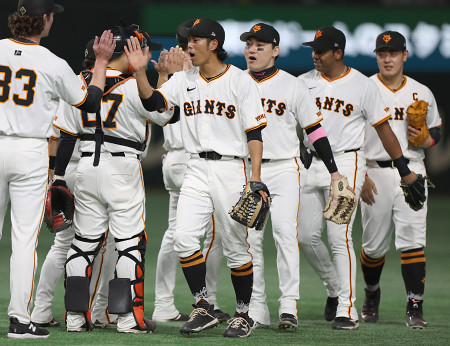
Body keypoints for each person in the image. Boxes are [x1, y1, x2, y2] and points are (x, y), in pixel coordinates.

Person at [125, 18, 268, 338]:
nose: (189, 45)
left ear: (214, 44)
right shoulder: (183, 79)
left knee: (236, 247)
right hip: (195, 168)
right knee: (185, 239)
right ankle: (203, 306)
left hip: (232, 168)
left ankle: (243, 314)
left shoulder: (241, 81)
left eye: (197, 40)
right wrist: (139, 72)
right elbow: (155, 104)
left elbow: (255, 133)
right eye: (189, 40)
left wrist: (255, 179)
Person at [0, 0, 114, 339]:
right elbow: (91, 101)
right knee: (24, 241)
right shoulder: (53, 63)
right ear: (45, 20)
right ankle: (20, 320)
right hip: (30, 151)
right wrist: (103, 61)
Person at [298, 26, 419, 330]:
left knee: (339, 235)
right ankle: (334, 287)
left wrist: (404, 170)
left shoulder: (363, 86)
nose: (315, 55)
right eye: (313, 49)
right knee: (305, 237)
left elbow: (384, 130)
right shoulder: (302, 83)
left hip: (347, 164)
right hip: (310, 164)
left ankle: (347, 308)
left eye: (321, 50)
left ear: (338, 52)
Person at [52, 24, 169, 333]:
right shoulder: (134, 86)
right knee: (130, 244)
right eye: (140, 48)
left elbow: (66, 137)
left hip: (87, 165)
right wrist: (145, 75)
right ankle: (128, 318)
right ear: (127, 51)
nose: (144, 54)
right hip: (122, 168)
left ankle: (76, 318)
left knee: (83, 244)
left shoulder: (80, 84)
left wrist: (59, 179)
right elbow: (162, 113)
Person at [235, 23, 349, 331]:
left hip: (285, 168)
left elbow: (314, 130)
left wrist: (334, 170)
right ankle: (257, 309)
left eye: (260, 45)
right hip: (247, 169)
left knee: (285, 235)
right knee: (251, 242)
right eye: (249, 44)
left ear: (275, 51)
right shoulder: (234, 81)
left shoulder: (292, 85)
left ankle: (288, 307)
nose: (252, 50)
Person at [31, 39, 119, 329]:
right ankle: (95, 311)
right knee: (102, 243)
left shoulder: (69, 82)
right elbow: (66, 136)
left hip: (64, 167)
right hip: (86, 164)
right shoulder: (111, 84)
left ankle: (42, 311)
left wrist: (53, 176)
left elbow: (57, 135)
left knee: (63, 244)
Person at [359, 30, 442, 329]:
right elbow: (351, 137)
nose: (388, 58)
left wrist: (427, 140)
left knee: (413, 241)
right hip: (374, 171)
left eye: (393, 53)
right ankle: (371, 293)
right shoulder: (363, 88)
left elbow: (436, 132)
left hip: (413, 171)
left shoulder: (421, 92)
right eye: (382, 53)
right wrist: (361, 175)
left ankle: (415, 306)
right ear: (377, 56)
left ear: (404, 55)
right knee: (373, 247)